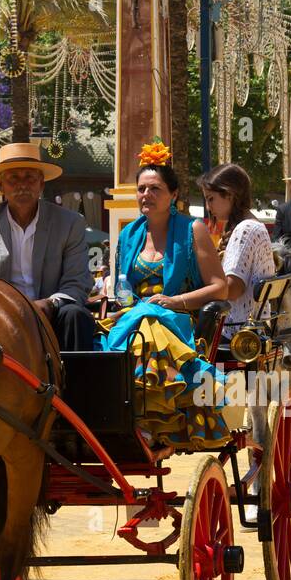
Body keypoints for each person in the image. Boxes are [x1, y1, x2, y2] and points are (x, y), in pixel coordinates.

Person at [102, 142, 231, 452]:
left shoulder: (193, 230)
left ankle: (151, 421)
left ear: (173, 195)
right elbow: (121, 290)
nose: (146, 195)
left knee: (149, 327)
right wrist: (121, 305)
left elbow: (220, 287)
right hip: (131, 318)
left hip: (179, 321)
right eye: (142, 189)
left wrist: (174, 302)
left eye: (155, 189)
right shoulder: (128, 234)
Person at [0, 141, 95, 350]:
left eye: (30, 178)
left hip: (52, 315)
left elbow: (77, 282)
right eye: (13, 178)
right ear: (1, 185)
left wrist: (50, 304)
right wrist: (4, 310)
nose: (22, 185)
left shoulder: (70, 223)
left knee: (76, 315)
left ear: (41, 184)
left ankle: (76, 382)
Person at [198, 163, 275, 337]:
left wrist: (186, 296)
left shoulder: (245, 229)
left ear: (230, 195)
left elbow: (232, 289)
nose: (208, 207)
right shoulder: (253, 226)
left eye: (211, 199)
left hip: (233, 335)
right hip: (250, 330)